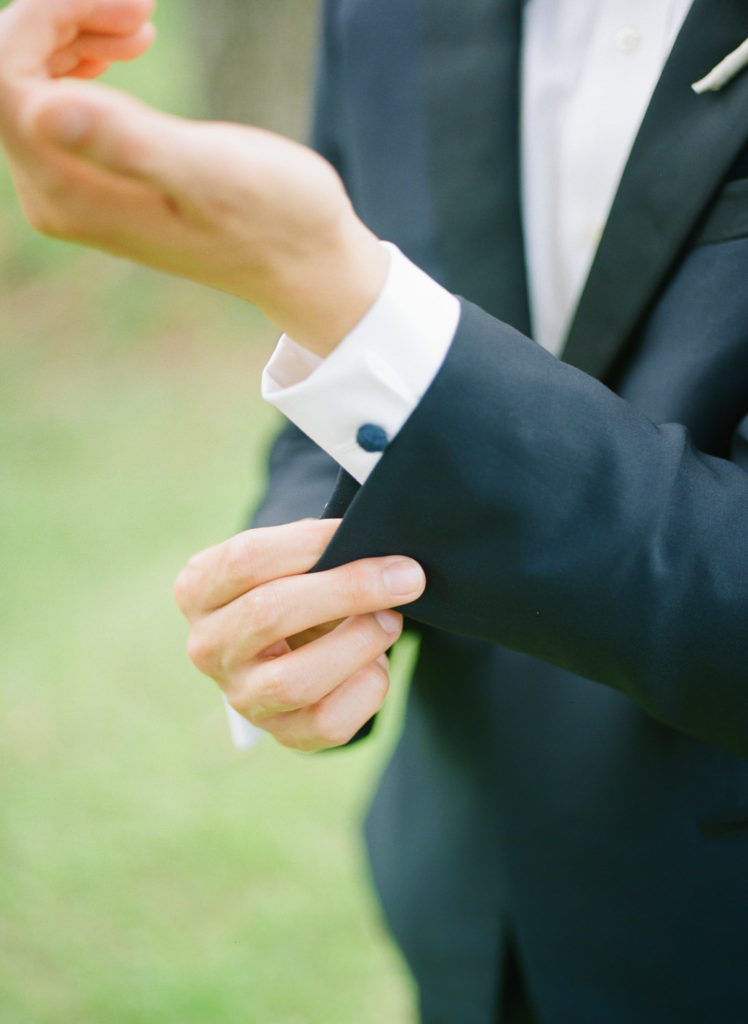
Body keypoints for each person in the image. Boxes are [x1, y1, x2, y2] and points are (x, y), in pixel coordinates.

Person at [2, 0, 748, 1020]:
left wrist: (339, 293)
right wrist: (297, 594)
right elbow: (356, 380)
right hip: (467, 905)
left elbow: (375, 316)